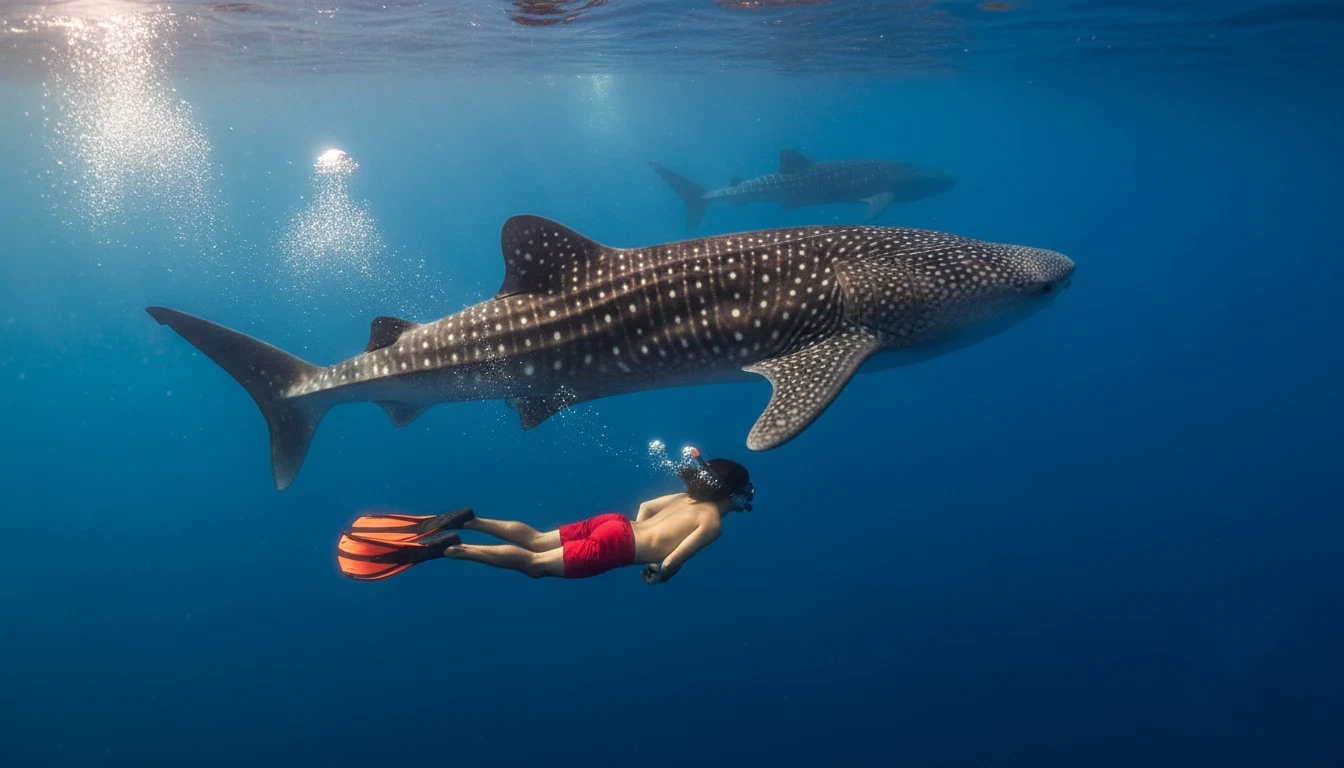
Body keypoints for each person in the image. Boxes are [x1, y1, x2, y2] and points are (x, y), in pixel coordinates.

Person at [336, 449, 754, 584]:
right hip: (621, 546)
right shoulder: (712, 523)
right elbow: (675, 559)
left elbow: (644, 510)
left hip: (617, 524)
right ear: (732, 493)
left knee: (536, 539)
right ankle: (452, 549)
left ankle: (468, 520)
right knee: (535, 565)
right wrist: (660, 574)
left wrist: (638, 533)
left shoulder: (687, 499)